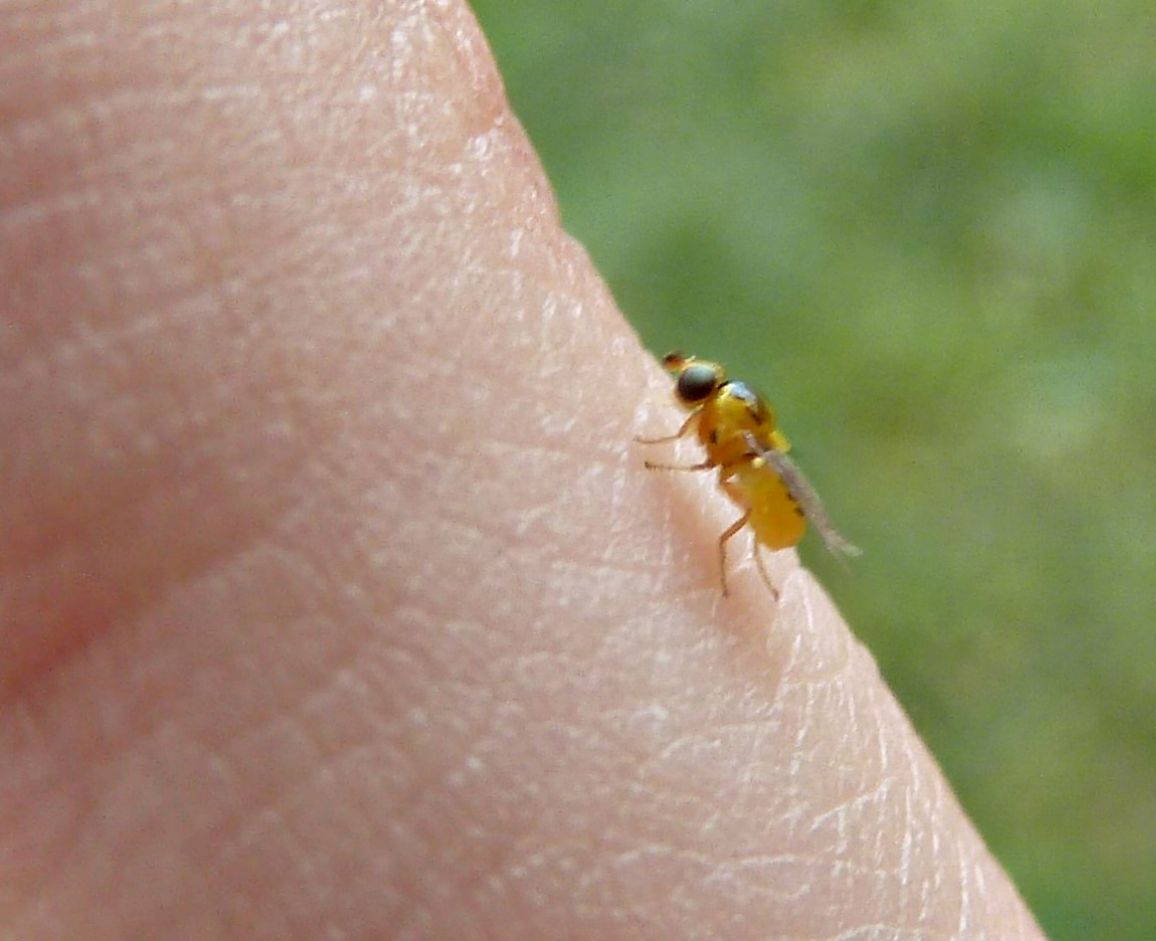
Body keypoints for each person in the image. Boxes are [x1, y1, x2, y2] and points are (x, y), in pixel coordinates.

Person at [0, 2, 1045, 937]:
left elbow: (750, 472)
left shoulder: (727, 436)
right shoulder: (718, 419)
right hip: (758, 504)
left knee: (736, 522)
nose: (675, 391)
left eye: (684, 390)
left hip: (756, 518)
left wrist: (743, 516)